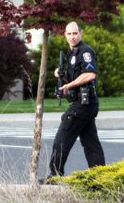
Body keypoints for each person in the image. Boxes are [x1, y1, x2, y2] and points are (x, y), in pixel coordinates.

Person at [45, 21, 106, 179]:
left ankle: (55, 175)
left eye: (75, 33)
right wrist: (60, 73)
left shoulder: (85, 51)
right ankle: (100, 177)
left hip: (84, 102)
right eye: (69, 34)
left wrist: (69, 85)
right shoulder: (72, 53)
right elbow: (75, 74)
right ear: (65, 35)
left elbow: (90, 74)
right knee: (90, 142)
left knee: (63, 136)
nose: (72, 37)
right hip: (83, 103)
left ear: (81, 34)